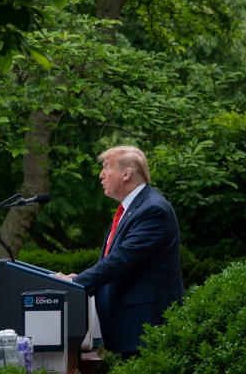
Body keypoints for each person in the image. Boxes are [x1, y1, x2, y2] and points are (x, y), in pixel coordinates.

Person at [56, 146, 184, 358]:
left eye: (107, 167)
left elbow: (121, 259)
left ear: (126, 174)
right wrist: (77, 279)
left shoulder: (153, 210)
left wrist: (75, 283)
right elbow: (113, 260)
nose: (101, 174)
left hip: (145, 326)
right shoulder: (132, 209)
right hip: (130, 326)